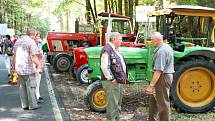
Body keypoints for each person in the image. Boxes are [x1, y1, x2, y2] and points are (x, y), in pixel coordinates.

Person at [146, 32, 174, 121]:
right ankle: (152, 119)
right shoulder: (165, 47)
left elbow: (158, 71)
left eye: (152, 40)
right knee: (153, 100)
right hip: (162, 77)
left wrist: (151, 86)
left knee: (163, 103)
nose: (151, 42)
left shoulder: (162, 51)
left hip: (162, 78)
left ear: (157, 40)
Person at [100, 32, 128, 121]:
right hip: (111, 82)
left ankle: (117, 119)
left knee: (117, 104)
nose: (121, 41)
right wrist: (111, 78)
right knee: (112, 105)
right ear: (114, 39)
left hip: (117, 81)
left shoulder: (115, 49)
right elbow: (104, 66)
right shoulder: (107, 50)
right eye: (120, 39)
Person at [12, 29, 41, 110]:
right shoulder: (31, 42)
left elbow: (14, 55)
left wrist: (13, 67)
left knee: (22, 87)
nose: (36, 37)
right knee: (31, 87)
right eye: (35, 35)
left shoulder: (18, 41)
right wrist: (38, 65)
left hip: (19, 68)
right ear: (32, 34)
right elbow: (33, 56)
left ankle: (24, 105)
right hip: (28, 69)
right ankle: (33, 105)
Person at [34, 32, 44, 103]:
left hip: (39, 64)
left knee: (38, 81)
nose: (38, 38)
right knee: (34, 81)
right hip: (35, 65)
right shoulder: (33, 45)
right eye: (37, 36)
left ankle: (37, 94)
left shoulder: (38, 44)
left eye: (39, 36)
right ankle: (35, 96)